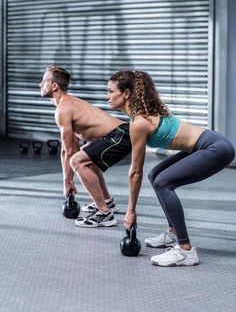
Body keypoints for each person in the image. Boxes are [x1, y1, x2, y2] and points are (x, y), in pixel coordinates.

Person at [107, 70, 235, 267]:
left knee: (163, 182)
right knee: (155, 174)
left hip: (215, 148)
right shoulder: (144, 115)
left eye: (110, 91)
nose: (106, 96)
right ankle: (173, 232)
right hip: (210, 143)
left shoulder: (140, 122)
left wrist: (130, 210)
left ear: (126, 93)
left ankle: (185, 249)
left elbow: (135, 170)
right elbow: (141, 172)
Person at [39, 65, 131, 228]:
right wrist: (67, 181)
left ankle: (104, 213)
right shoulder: (67, 105)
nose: (40, 84)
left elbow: (71, 154)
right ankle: (107, 202)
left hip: (121, 135)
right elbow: (68, 149)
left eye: (44, 81)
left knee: (78, 160)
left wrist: (68, 183)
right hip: (121, 134)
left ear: (54, 86)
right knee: (86, 158)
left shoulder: (63, 109)